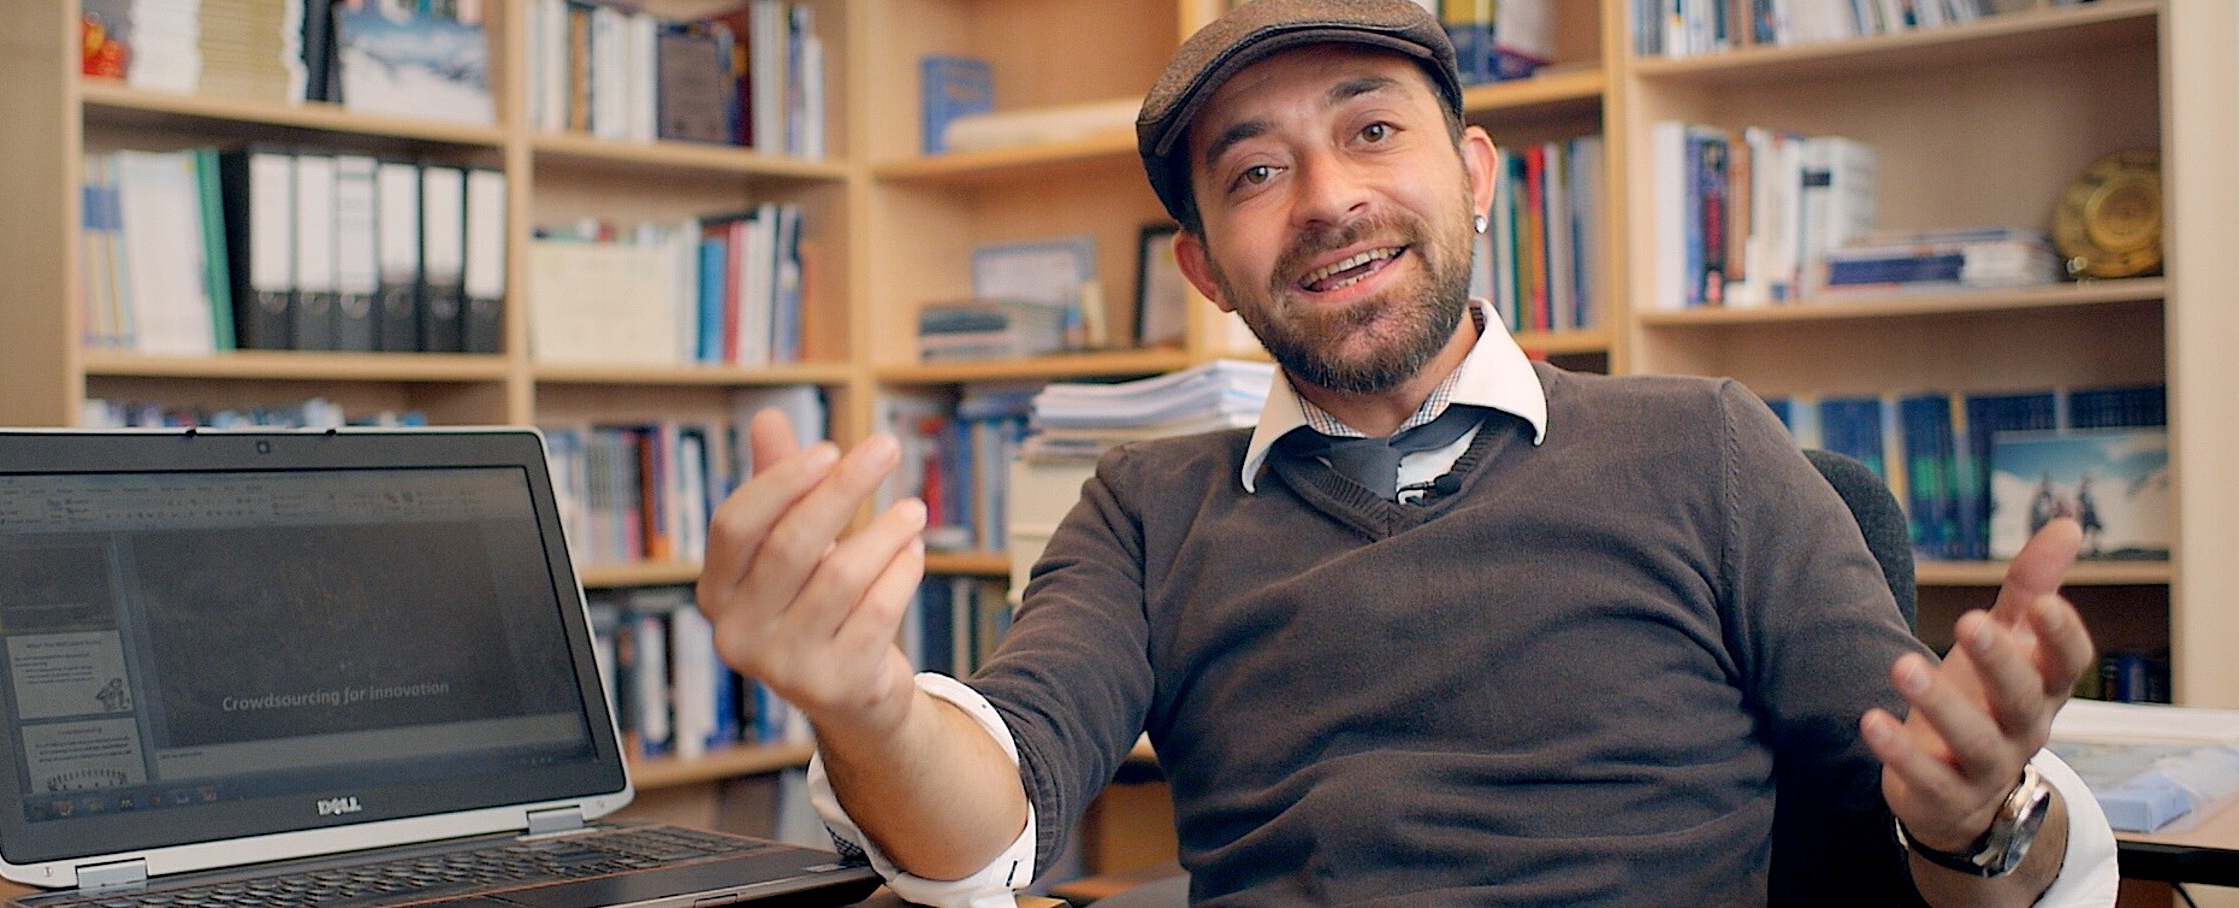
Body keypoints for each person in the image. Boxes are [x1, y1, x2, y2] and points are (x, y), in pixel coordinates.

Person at [697, 1, 2119, 904]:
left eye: (1371, 130)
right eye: (1254, 171)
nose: (1325, 199)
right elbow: (987, 825)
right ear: (1203, 268)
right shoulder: (1145, 507)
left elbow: (1952, 845)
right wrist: (870, 708)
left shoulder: (1703, 446)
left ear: (1477, 176)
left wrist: (1980, 819)